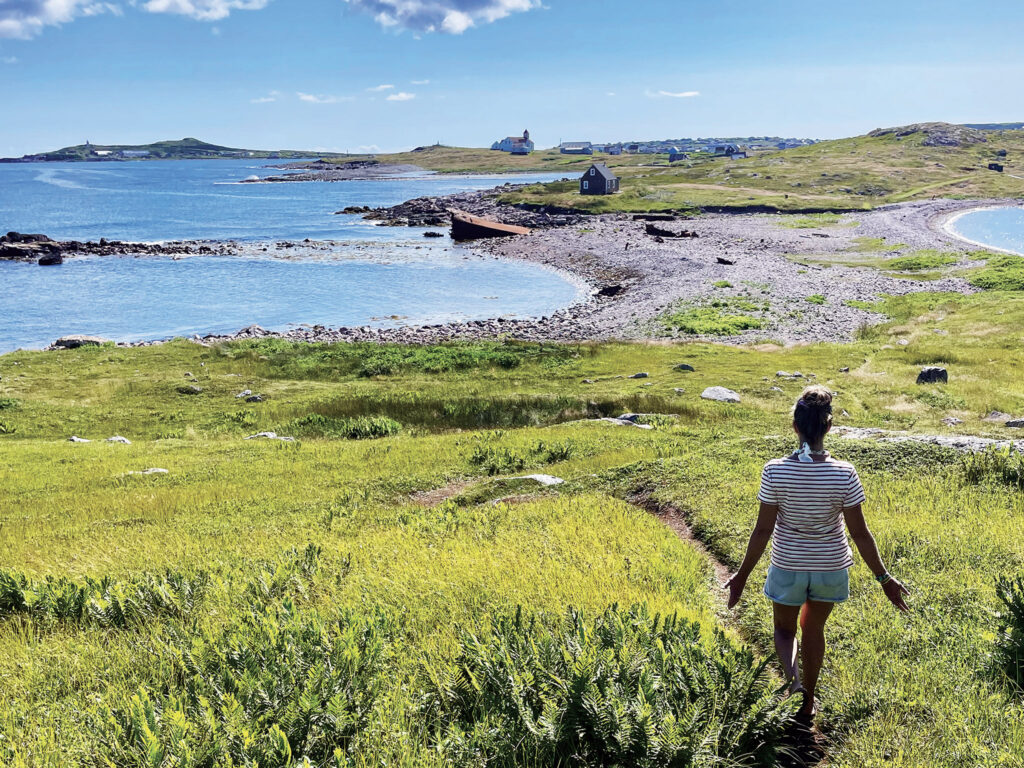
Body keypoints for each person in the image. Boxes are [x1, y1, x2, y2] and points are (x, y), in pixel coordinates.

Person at [724, 385, 909, 719]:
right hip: (830, 569)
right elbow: (860, 534)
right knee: (814, 631)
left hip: (788, 566)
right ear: (829, 426)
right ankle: (808, 704)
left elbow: (763, 530)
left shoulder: (774, 470)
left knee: (784, 630)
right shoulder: (844, 473)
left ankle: (793, 682)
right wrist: (884, 578)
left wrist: (741, 576)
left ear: (795, 427)